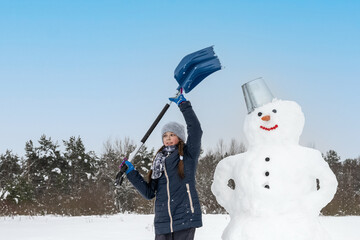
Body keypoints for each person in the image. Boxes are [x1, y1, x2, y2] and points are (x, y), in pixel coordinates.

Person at [122, 92, 203, 240]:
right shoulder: (158, 161)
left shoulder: (188, 154)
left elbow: (196, 130)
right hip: (162, 222)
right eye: (165, 135)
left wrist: (184, 106)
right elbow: (149, 193)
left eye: (172, 134)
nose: (168, 138)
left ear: (179, 137)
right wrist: (131, 172)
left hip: (184, 217)